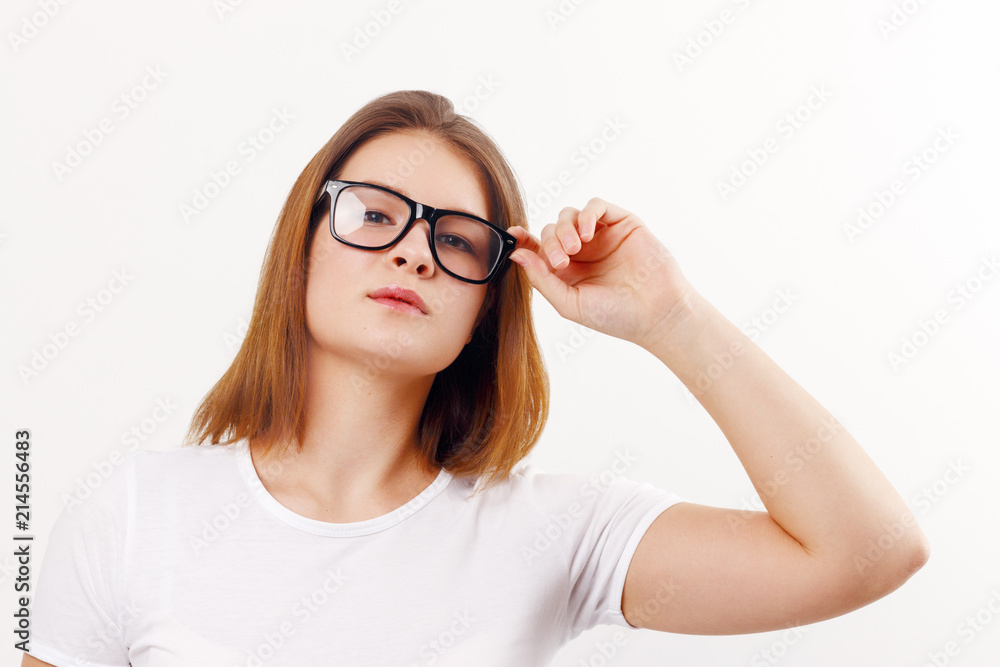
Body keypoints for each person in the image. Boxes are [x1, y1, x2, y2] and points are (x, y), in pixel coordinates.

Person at [22, 90, 929, 667]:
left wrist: (672, 318)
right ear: (299, 251)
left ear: (488, 306)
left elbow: (872, 550)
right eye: (374, 214)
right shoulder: (131, 515)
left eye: (457, 240)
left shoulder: (554, 532)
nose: (416, 250)